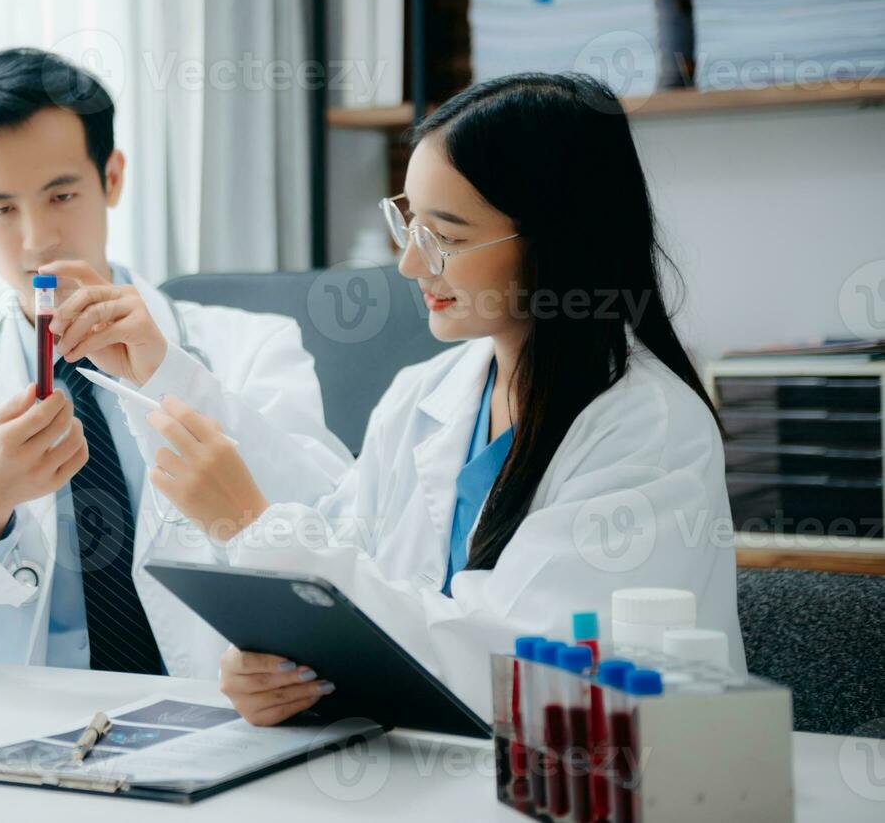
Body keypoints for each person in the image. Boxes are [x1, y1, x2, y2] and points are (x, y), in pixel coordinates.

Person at [145, 72, 745, 722]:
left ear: (556, 241)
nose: (410, 264)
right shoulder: (421, 396)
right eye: (409, 224)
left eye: (447, 237)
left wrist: (258, 527)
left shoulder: (650, 430)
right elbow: (353, 593)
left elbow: (518, 671)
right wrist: (282, 672)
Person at [0, 47, 351, 679]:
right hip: (27, 741)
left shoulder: (253, 348)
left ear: (112, 178)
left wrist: (167, 375)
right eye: (2, 208)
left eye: (60, 195)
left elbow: (338, 538)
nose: (36, 240)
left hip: (217, 723)